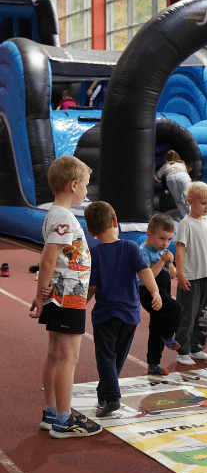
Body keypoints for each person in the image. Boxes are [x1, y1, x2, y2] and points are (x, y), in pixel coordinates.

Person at [29, 155, 102, 438]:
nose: (86, 190)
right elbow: (48, 259)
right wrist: (39, 293)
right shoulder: (63, 217)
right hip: (66, 295)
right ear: (73, 185)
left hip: (62, 294)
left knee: (55, 354)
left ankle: (51, 412)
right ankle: (63, 419)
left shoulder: (57, 214)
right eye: (85, 185)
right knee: (68, 358)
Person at [84, 201, 162, 418]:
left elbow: (92, 286)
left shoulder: (94, 253)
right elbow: (145, 272)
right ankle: (104, 391)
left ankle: (111, 397)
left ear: (90, 232)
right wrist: (155, 293)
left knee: (106, 356)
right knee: (118, 356)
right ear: (115, 221)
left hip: (105, 314)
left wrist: (81, 304)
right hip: (129, 314)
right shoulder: (130, 247)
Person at [174, 181, 207, 366]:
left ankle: (197, 347)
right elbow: (180, 250)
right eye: (203, 203)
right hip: (191, 278)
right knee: (188, 314)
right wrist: (181, 275)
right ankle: (182, 351)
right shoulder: (186, 224)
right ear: (190, 201)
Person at [138, 213, 183, 376]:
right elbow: (147, 276)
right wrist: (162, 261)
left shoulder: (162, 253)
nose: (166, 243)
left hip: (163, 291)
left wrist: (170, 263)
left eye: (169, 240)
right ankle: (168, 336)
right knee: (176, 308)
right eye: (162, 238)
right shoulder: (143, 251)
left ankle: (153, 364)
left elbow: (172, 276)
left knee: (156, 328)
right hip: (148, 292)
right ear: (149, 234)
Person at [156, 150, 192, 217]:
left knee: (178, 200)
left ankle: (185, 217)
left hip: (171, 177)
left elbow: (157, 177)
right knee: (188, 196)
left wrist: (160, 182)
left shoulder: (166, 165)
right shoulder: (182, 164)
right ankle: (193, 216)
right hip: (182, 176)